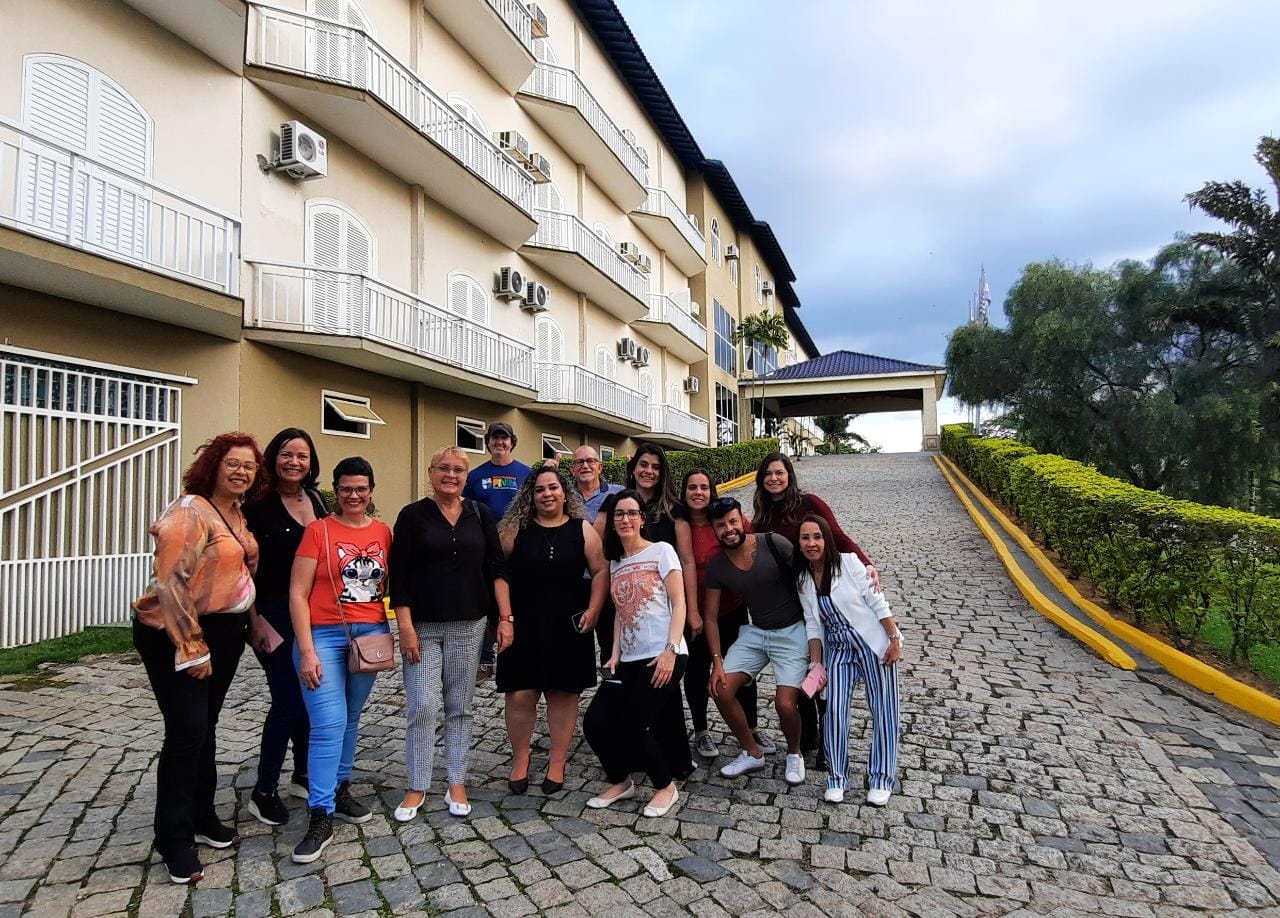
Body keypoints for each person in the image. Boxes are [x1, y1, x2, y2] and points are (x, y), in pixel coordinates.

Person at [132, 432, 267, 884]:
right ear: (213, 465)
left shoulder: (235, 511)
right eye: (233, 463)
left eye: (249, 465)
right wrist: (191, 648)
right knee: (187, 731)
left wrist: (248, 624)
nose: (241, 471)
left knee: (206, 725)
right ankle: (173, 838)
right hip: (177, 633)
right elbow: (171, 582)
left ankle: (202, 815)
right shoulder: (189, 512)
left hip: (226, 632)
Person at [390, 447, 511, 822]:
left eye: (458, 470)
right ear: (431, 472)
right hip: (423, 628)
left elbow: (496, 568)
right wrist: (405, 626)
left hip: (469, 625)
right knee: (422, 706)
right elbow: (399, 575)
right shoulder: (412, 516)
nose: (451, 475)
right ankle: (417, 784)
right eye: (443, 468)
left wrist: (505, 618)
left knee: (460, 707)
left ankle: (456, 780)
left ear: (466, 476)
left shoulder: (480, 513)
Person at [289, 457, 392, 864]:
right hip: (323, 635)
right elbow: (298, 593)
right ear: (336, 490)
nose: (354, 495)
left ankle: (340, 787)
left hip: (370, 635)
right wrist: (306, 650)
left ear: (371, 491)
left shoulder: (383, 532)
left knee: (350, 717)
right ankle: (320, 813)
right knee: (328, 722)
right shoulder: (318, 531)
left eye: (361, 488)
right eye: (346, 488)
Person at [751, 451, 879, 762]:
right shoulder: (761, 516)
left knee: (823, 669)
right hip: (785, 603)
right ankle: (808, 735)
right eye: (768, 474)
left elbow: (838, 537)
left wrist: (866, 563)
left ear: (789, 475)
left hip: (817, 594)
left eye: (779, 472)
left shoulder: (809, 503)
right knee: (799, 670)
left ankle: (827, 743)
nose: (773, 478)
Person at [497, 467, 607, 794]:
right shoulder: (516, 530)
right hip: (523, 624)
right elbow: (498, 573)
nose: (547, 494)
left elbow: (601, 570)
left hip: (568, 625)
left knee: (563, 693)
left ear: (564, 493)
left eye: (553, 488)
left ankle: (557, 761)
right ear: (530, 496)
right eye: (540, 489)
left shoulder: (582, 529)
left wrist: (594, 609)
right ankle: (521, 758)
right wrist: (503, 617)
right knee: (520, 693)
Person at [583, 490, 688, 818]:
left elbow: (679, 603)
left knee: (631, 724)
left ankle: (665, 787)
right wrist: (614, 653)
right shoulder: (616, 562)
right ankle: (621, 781)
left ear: (642, 518)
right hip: (627, 660)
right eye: (619, 514)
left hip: (663, 655)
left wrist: (671, 650)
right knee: (595, 723)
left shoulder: (662, 551)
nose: (625, 519)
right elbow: (620, 613)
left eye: (631, 513)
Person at [705, 496, 822, 787]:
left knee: (785, 703)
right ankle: (752, 752)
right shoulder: (717, 565)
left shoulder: (773, 543)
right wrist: (717, 661)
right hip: (756, 632)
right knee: (720, 690)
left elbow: (811, 576)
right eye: (720, 525)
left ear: (742, 520)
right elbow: (710, 617)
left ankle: (794, 753)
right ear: (713, 529)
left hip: (792, 631)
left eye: (732, 521)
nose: (728, 529)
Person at [242, 428, 326, 826]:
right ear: (273, 457)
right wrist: (252, 620)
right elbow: (243, 570)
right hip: (271, 612)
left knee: (311, 693)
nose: (294, 462)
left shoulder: (316, 500)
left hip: (312, 612)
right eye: (287, 454)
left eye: (302, 456)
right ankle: (263, 790)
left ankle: (303, 774)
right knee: (287, 700)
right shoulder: (257, 505)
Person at [795, 514, 903, 805]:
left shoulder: (849, 563)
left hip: (870, 644)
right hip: (838, 648)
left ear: (827, 539)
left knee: (884, 710)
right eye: (805, 538)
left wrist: (893, 639)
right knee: (835, 711)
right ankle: (837, 777)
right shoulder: (804, 579)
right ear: (800, 544)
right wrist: (816, 664)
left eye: (817, 537)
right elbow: (813, 624)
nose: (811, 543)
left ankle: (881, 778)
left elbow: (877, 601)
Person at [673, 470, 774, 760]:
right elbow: (684, 564)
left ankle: (752, 727)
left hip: (732, 607)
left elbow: (752, 544)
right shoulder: (681, 524)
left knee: (743, 670)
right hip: (696, 610)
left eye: (704, 487)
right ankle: (701, 731)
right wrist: (692, 612)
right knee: (697, 671)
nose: (698, 492)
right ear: (684, 492)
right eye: (692, 487)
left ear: (712, 491)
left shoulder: (725, 518)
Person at [463, 422, 530, 683]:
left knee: (519, 599)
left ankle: (517, 651)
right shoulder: (475, 476)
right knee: (488, 602)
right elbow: (465, 509)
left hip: (520, 548)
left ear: (512, 443)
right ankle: (485, 657)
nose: (500, 443)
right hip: (485, 548)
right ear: (488, 442)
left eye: (504, 438)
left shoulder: (526, 473)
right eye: (495, 438)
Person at [570, 445, 622, 523]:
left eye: (590, 461)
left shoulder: (618, 493)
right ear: (572, 470)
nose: (585, 466)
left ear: (599, 468)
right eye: (579, 462)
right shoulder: (565, 496)